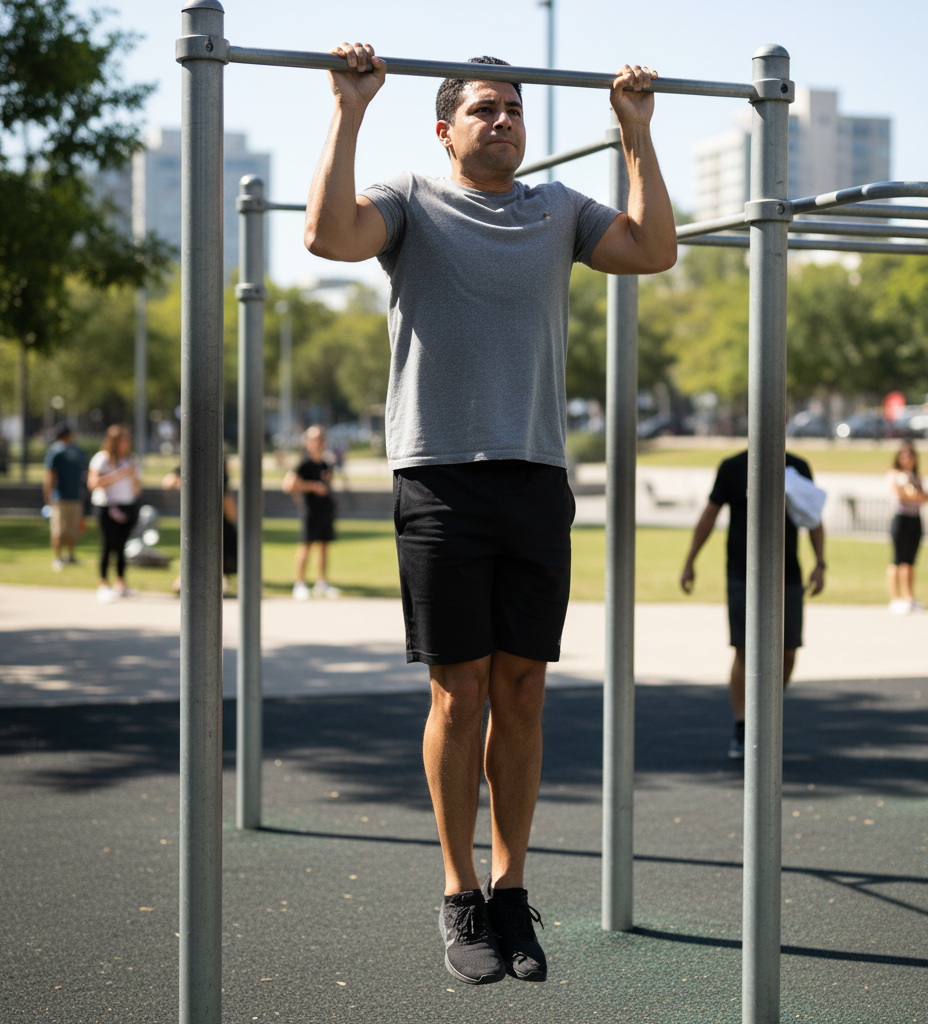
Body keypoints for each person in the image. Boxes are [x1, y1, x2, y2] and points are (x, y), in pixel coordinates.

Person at [305, 44, 675, 985]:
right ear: (446, 127)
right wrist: (349, 109)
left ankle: (513, 892)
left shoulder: (559, 211)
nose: (502, 118)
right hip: (438, 477)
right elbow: (326, 238)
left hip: (536, 477)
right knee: (457, 692)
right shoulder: (411, 201)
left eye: (512, 107)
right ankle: (459, 893)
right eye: (482, 109)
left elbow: (654, 249)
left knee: (523, 692)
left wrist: (636, 134)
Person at [679, 450, 826, 760]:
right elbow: (709, 514)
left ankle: (765, 713)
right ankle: (743, 725)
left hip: (787, 574)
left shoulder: (796, 467)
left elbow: (813, 518)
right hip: (742, 573)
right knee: (745, 650)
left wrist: (821, 563)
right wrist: (690, 560)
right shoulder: (733, 467)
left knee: (787, 652)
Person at [162, 461, 237, 595]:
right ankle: (197, 583)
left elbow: (168, 482)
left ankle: (186, 582)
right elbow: (227, 499)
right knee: (215, 552)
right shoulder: (218, 471)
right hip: (216, 519)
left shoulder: (191, 463)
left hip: (195, 516)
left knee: (196, 550)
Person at [283, 425, 340, 600]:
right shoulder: (303, 465)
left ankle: (321, 583)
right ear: (308, 442)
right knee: (305, 547)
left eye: (322, 439)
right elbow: (288, 485)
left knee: (323, 547)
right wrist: (312, 487)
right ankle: (299, 584)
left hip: (325, 511)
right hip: (310, 511)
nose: (319, 442)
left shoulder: (326, 463)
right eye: (315, 439)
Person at [87, 424, 141, 602]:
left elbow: (137, 489)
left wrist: (132, 476)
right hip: (106, 506)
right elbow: (93, 483)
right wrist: (119, 474)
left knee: (121, 546)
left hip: (127, 506)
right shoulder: (102, 459)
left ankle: (121, 584)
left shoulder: (130, 460)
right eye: (124, 439)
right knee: (108, 545)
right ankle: (103, 584)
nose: (127, 442)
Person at [886, 442, 928, 614]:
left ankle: (909, 597)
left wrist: (915, 494)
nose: (907, 459)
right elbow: (900, 494)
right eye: (904, 455)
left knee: (910, 562)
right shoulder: (895, 475)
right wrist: (914, 494)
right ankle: (895, 598)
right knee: (897, 559)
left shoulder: (916, 477)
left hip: (915, 519)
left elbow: (924, 498)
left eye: (911, 455)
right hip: (901, 519)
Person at [42, 422, 87, 570]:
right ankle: (58, 558)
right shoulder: (55, 451)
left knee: (73, 529)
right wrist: (48, 498)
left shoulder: (77, 451)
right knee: (59, 530)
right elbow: (50, 476)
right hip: (59, 497)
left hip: (74, 496)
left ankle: (71, 556)